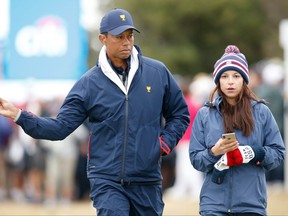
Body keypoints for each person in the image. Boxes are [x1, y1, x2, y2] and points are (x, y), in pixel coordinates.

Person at [0, 8, 190, 216]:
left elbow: (180, 115)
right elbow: (59, 128)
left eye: (130, 36)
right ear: (103, 39)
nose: (127, 42)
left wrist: (163, 144)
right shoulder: (88, 84)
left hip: (147, 180)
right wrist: (19, 115)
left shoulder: (157, 72)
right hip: (107, 180)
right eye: (119, 37)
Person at [189, 45, 285, 216]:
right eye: (224, 76)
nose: (230, 81)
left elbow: (277, 154)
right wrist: (213, 152)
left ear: (244, 80)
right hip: (213, 206)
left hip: (251, 205)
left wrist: (254, 153)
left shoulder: (261, 112)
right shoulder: (205, 114)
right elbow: (196, 160)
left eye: (236, 76)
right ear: (217, 80)